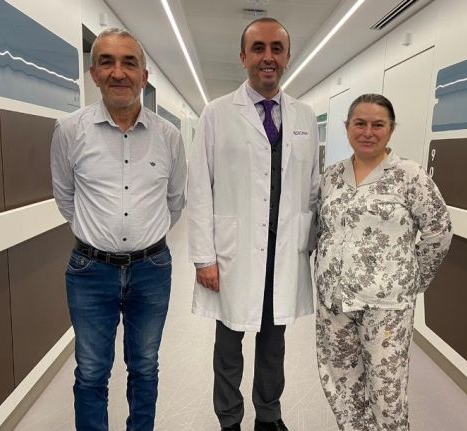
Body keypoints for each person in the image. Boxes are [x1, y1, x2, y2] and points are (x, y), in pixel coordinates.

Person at [187, 17, 319, 431]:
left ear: (287, 57)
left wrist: (311, 244)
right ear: (243, 56)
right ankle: (229, 420)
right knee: (229, 346)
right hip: (234, 253)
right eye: (258, 48)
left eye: (276, 49)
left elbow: (312, 188)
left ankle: (268, 415)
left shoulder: (304, 116)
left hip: (283, 252)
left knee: (273, 345)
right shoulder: (216, 113)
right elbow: (199, 188)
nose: (268, 57)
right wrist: (204, 257)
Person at [50, 28, 186, 431]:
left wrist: (143, 237)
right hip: (90, 272)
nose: (118, 72)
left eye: (129, 62)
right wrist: (98, 236)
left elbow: (175, 200)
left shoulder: (169, 136)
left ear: (144, 75)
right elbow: (65, 196)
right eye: (106, 62)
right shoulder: (69, 131)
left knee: (144, 367)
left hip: (152, 270)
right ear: (94, 73)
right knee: (91, 371)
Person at [314, 94, 452, 430]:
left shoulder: (409, 176)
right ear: (347, 127)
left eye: (378, 125)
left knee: (386, 392)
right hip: (335, 302)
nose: (368, 132)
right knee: (342, 385)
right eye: (359, 123)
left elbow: (439, 232)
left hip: (386, 307)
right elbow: (322, 228)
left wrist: (412, 280)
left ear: (391, 130)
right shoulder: (331, 176)